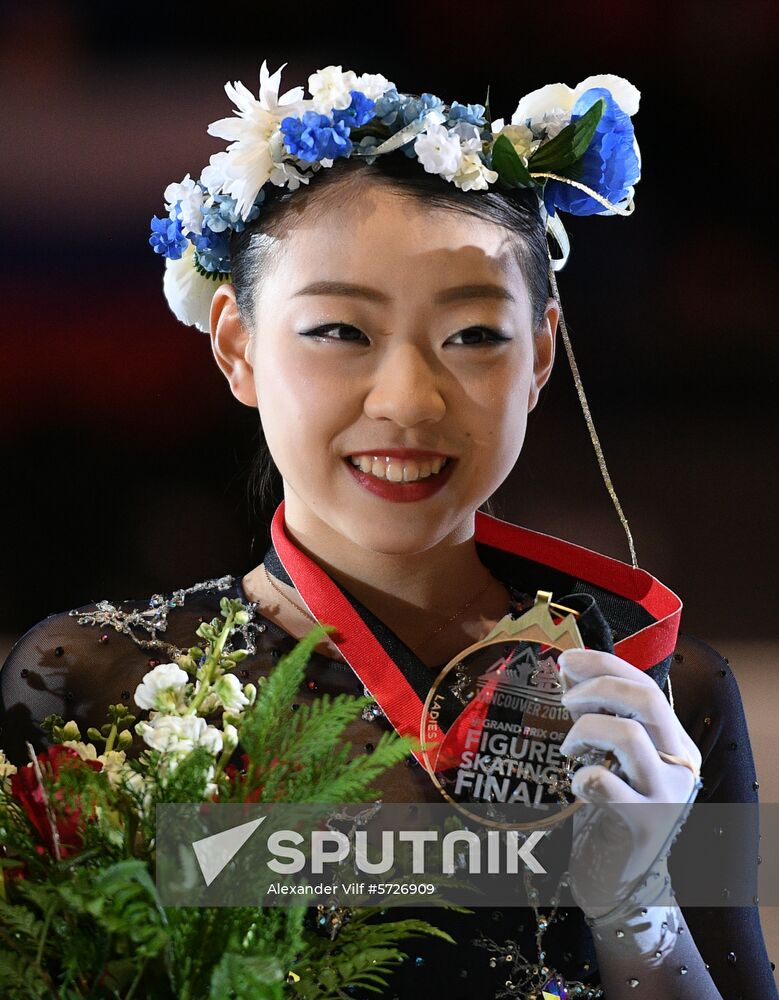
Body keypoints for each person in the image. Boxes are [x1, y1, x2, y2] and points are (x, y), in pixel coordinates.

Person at [1, 61, 776, 999]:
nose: (408, 400)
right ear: (236, 346)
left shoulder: (653, 693)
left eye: (474, 337)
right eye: (340, 332)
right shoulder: (93, 680)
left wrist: (637, 905)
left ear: (538, 357)